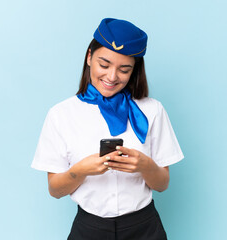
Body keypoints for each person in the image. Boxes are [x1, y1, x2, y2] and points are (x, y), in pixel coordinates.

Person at [31, 18, 184, 240]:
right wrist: (82, 170)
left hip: (145, 228)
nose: (112, 77)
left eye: (124, 69)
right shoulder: (61, 114)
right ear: (89, 57)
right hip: (89, 228)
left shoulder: (153, 110)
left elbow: (162, 184)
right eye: (104, 65)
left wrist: (145, 165)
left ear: (134, 70)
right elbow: (55, 190)